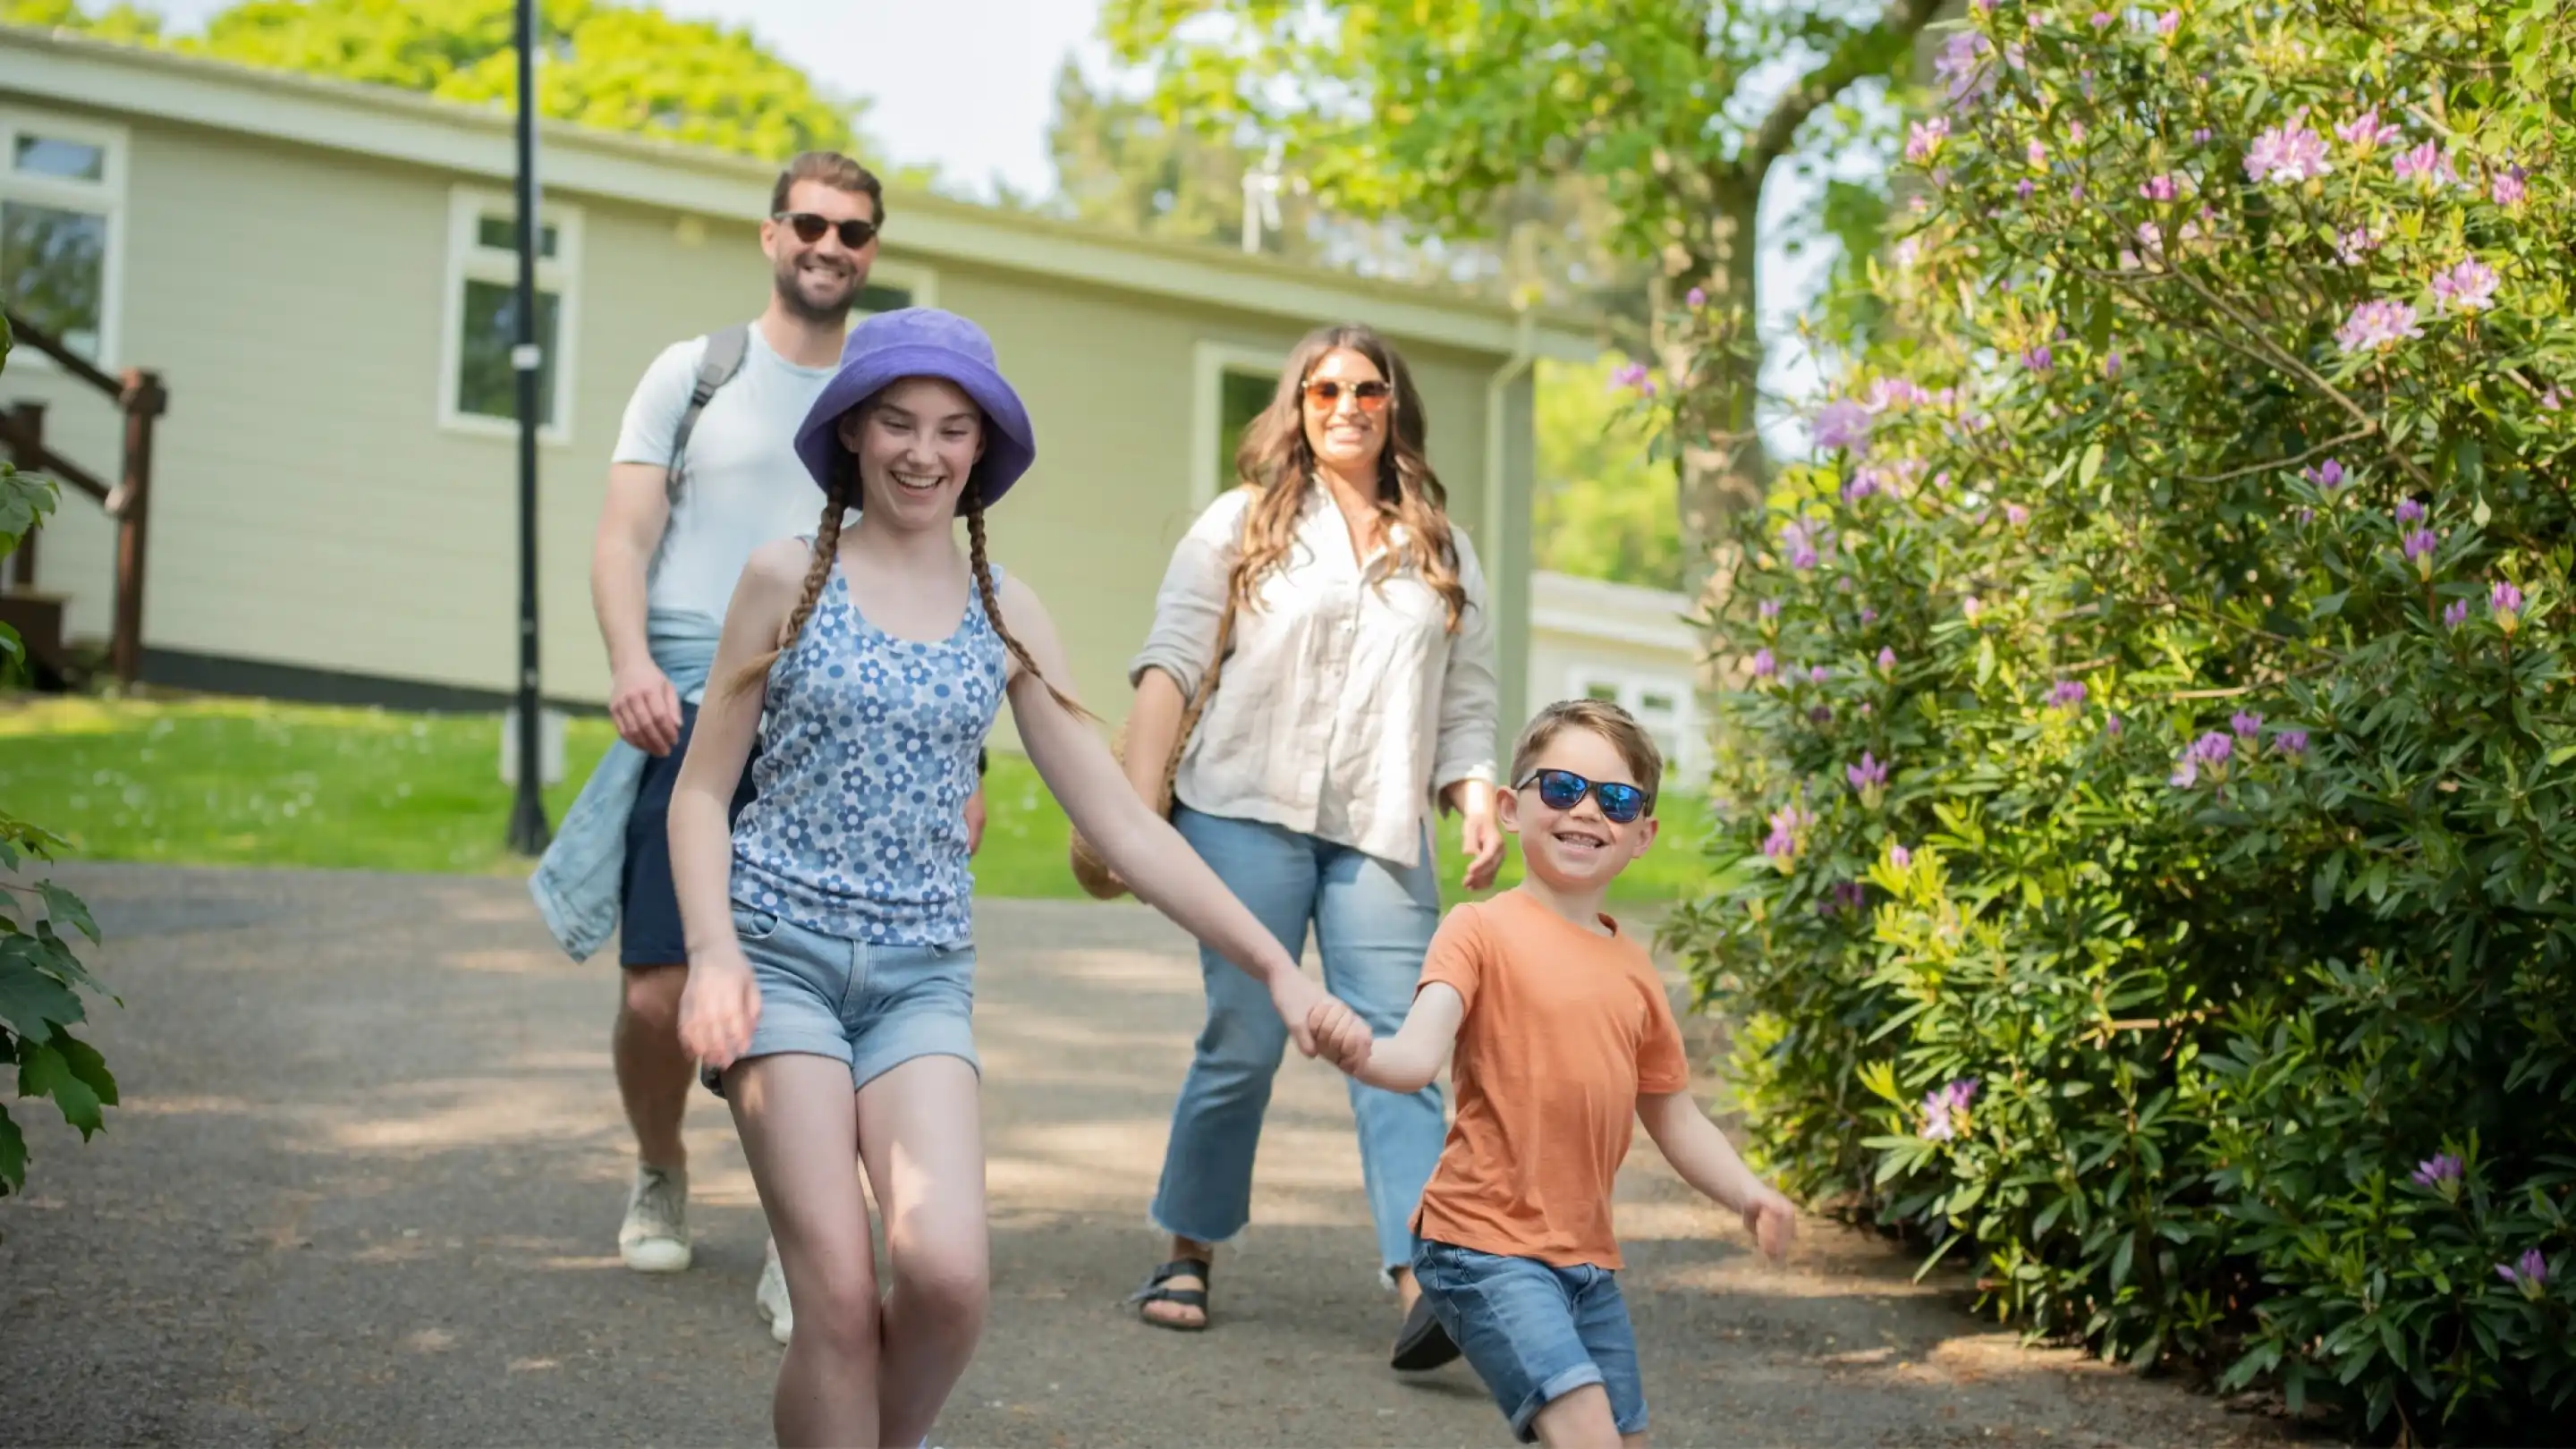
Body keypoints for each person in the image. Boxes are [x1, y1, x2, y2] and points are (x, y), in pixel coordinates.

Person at [665, 306, 1373, 1448]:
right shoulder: (782, 578)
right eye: (896, 421)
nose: (922, 451)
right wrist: (710, 953)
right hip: (776, 963)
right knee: (837, 1298)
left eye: (953, 430)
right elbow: (701, 794)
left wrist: (1276, 970)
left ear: (982, 451)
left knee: (945, 1278)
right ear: (851, 431)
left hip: (917, 985)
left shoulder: (1006, 614)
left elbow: (1127, 830)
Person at [523, 149, 983, 1340]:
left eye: (856, 232)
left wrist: (968, 766)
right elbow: (622, 535)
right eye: (812, 225)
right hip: (691, 687)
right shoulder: (698, 373)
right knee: (660, 991)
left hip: (841, 697)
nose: (832, 247)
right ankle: (661, 1160)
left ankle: (807, 1231)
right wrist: (629, 664)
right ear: (771, 233)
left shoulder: (888, 390)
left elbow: (934, 607)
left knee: (820, 958)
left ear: (873, 251)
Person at [1121, 322, 1504, 1364]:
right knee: (1244, 1033)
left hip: (1379, 827)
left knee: (1401, 1047)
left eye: (1366, 389)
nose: (1345, 406)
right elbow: (1173, 656)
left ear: (1394, 405)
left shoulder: (1444, 547)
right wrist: (1127, 803)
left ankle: (1426, 1282)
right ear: (1297, 406)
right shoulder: (1241, 523)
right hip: (1241, 806)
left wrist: (1475, 793)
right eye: (1323, 389)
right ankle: (1189, 1244)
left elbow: (1466, 703)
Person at [1339, 699, 1798, 1448]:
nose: (1586, 810)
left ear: (1642, 834)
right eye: (1561, 789)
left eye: (1615, 800)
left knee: (1624, 1439)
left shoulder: (1635, 969)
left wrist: (1748, 1192)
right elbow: (1418, 1054)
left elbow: (1674, 1114)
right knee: (1585, 1430)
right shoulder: (1479, 929)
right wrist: (1359, 1048)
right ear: (1512, 808)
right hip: (1480, 1246)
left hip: (1585, 1265)